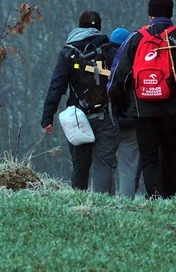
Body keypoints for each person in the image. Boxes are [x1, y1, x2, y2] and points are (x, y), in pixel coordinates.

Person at [107, 0, 176, 199]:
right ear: (171, 13)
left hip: (143, 109)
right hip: (174, 110)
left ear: (150, 14)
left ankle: (154, 197)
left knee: (149, 158)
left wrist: (119, 104)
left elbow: (118, 74)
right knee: (170, 158)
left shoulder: (135, 38)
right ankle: (169, 199)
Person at [41, 11, 119, 194]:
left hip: (77, 118)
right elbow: (123, 82)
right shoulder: (110, 51)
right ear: (98, 27)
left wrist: (47, 117)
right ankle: (104, 206)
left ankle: (78, 204)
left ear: (79, 26)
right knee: (104, 164)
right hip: (105, 116)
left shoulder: (68, 54)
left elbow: (56, 87)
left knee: (80, 166)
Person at [109, 27, 142, 199]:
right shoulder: (137, 61)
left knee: (106, 164)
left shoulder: (104, 60)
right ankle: (125, 203)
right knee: (129, 167)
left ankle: (105, 200)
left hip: (110, 122)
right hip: (132, 122)